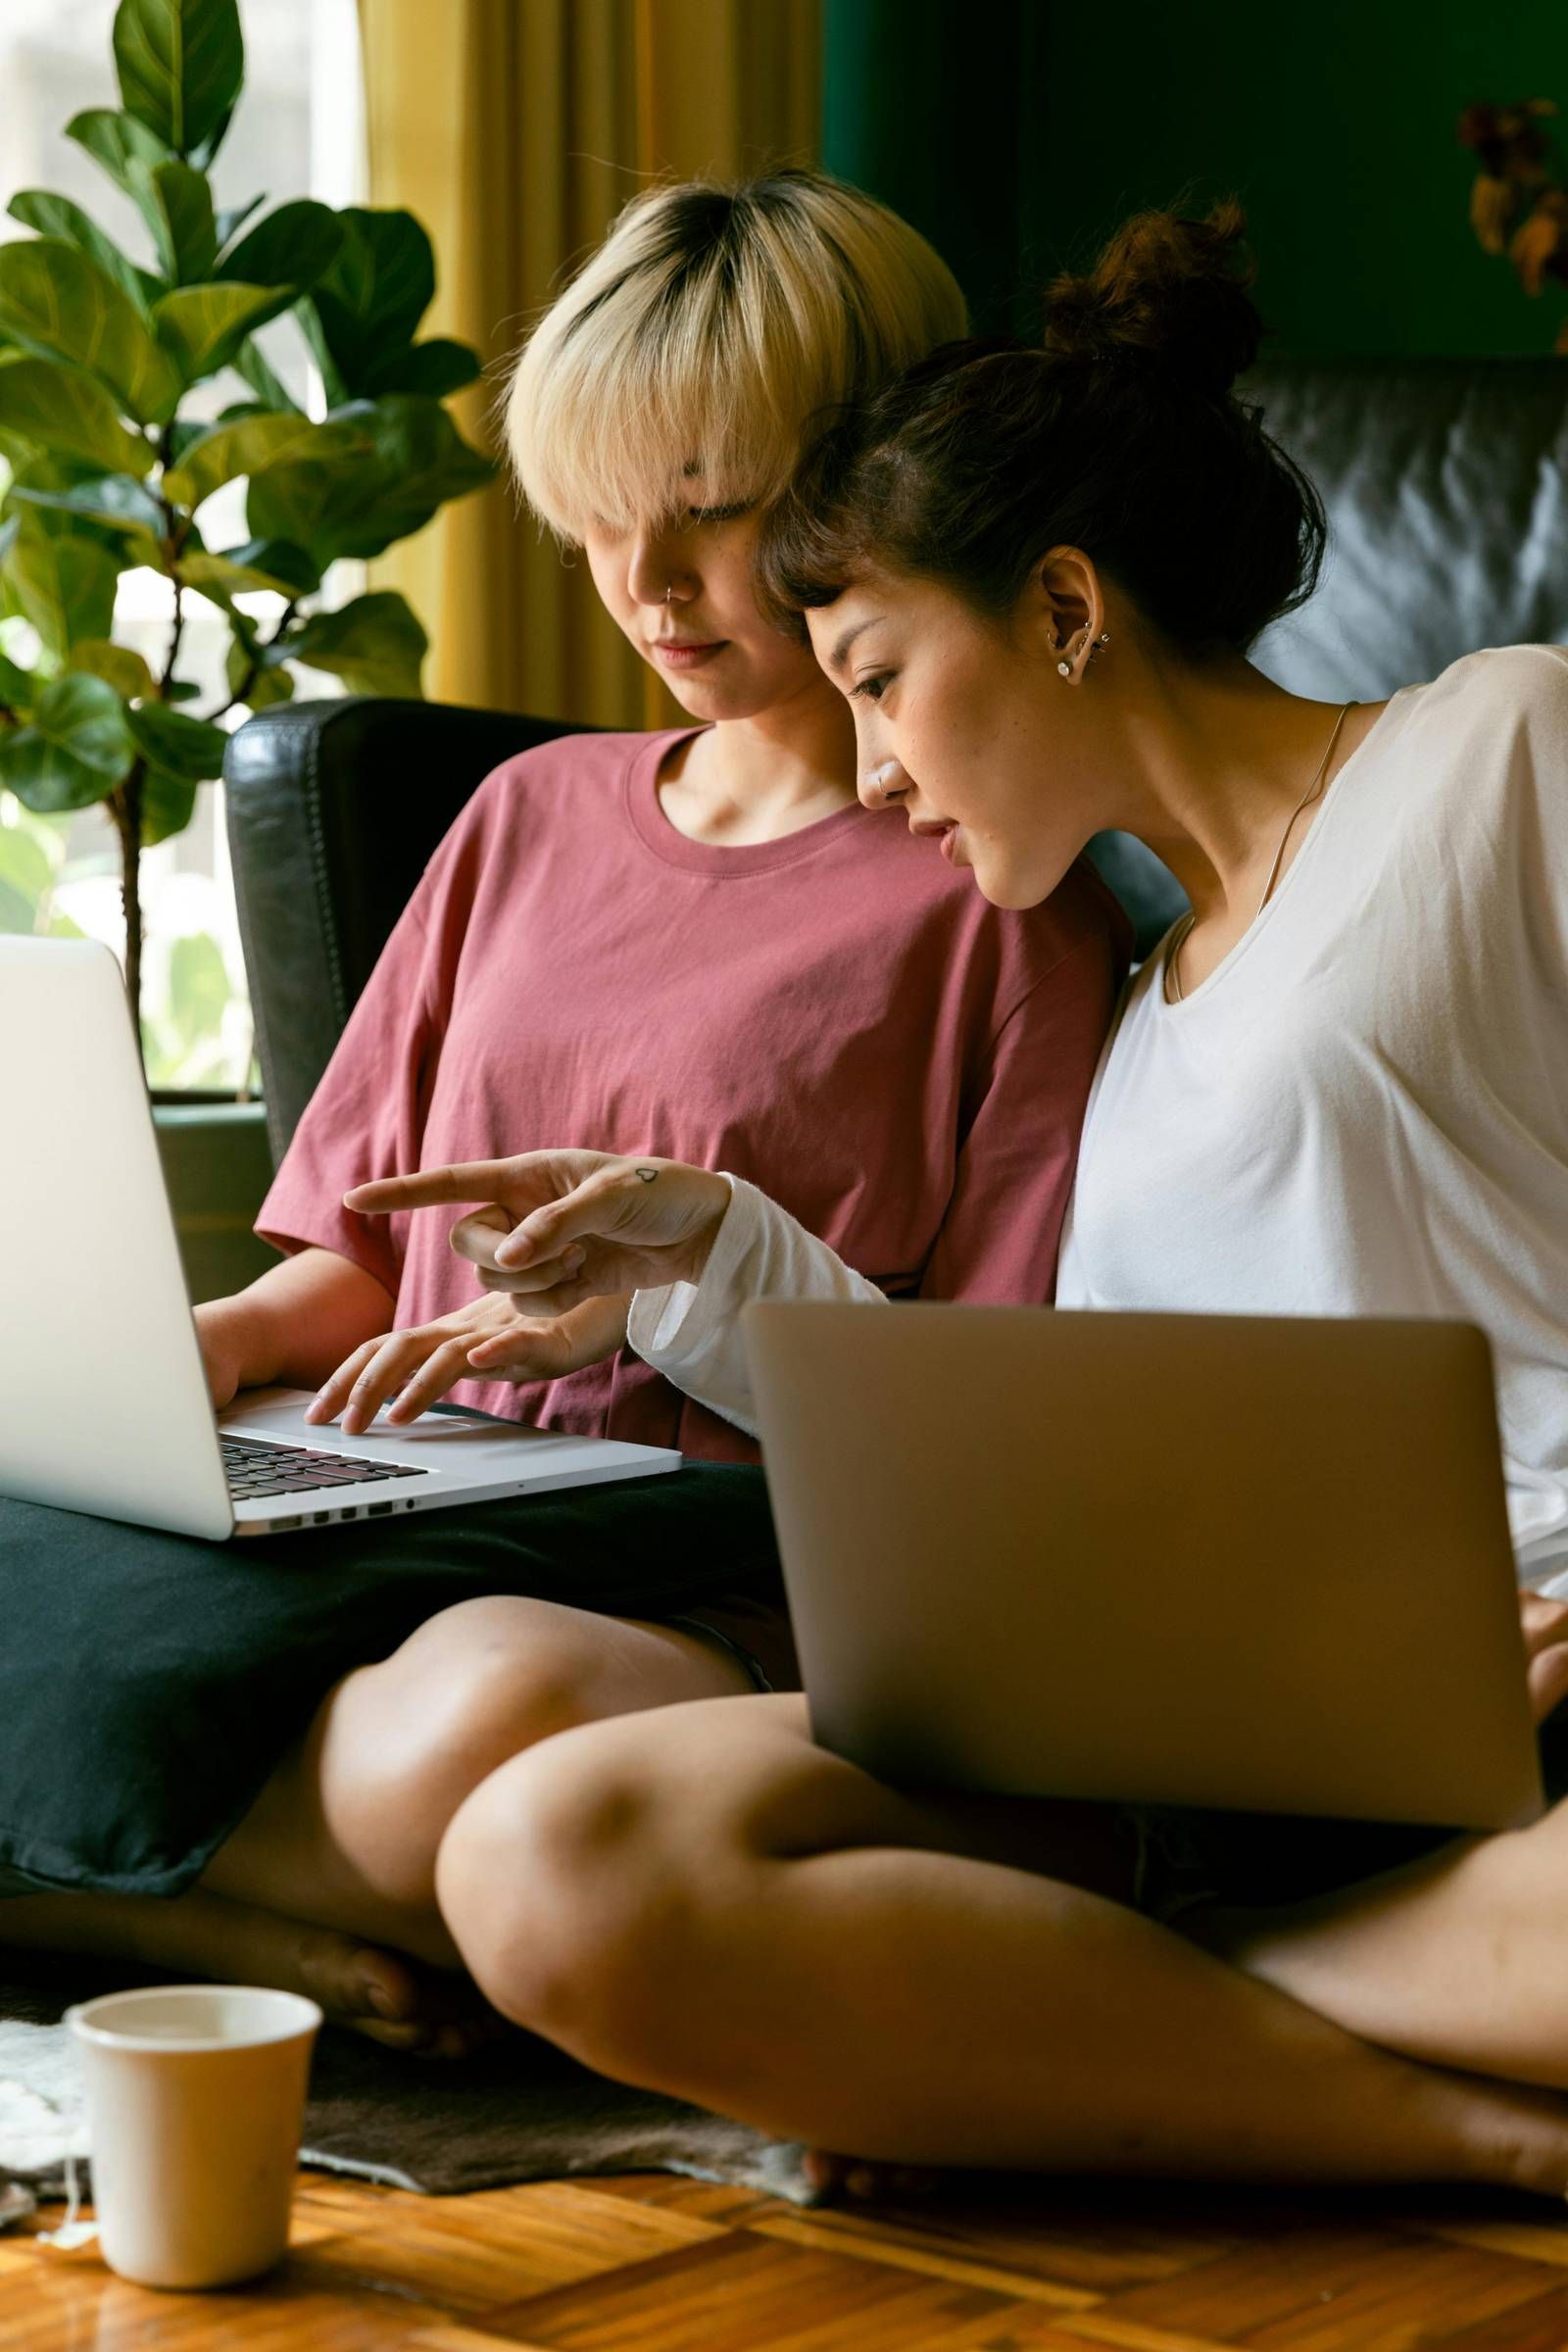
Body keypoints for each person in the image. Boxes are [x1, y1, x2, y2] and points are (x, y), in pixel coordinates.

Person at [368, 206, 1568, 2191]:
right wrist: (704, 1261)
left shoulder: (1496, 751)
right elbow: (1029, 1474)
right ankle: (1456, 2129)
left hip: (1524, 1691)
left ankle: (1112, 2007)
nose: (872, 770)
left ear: (1064, 610)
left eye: (879, 677)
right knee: (549, 1857)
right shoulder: (1132, 1012)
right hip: (1216, 1725)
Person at [0, 171, 1123, 2048]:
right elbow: (346, 1269)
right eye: (600, 525)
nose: (645, 589)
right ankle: (191, 1911)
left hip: (698, 1563)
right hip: (393, 1488)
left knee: (482, 1723)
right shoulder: (523, 817)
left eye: (710, 518)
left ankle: (104, 1888)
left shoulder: (1001, 891)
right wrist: (180, 1362)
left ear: (874, 485)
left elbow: (988, 1406)